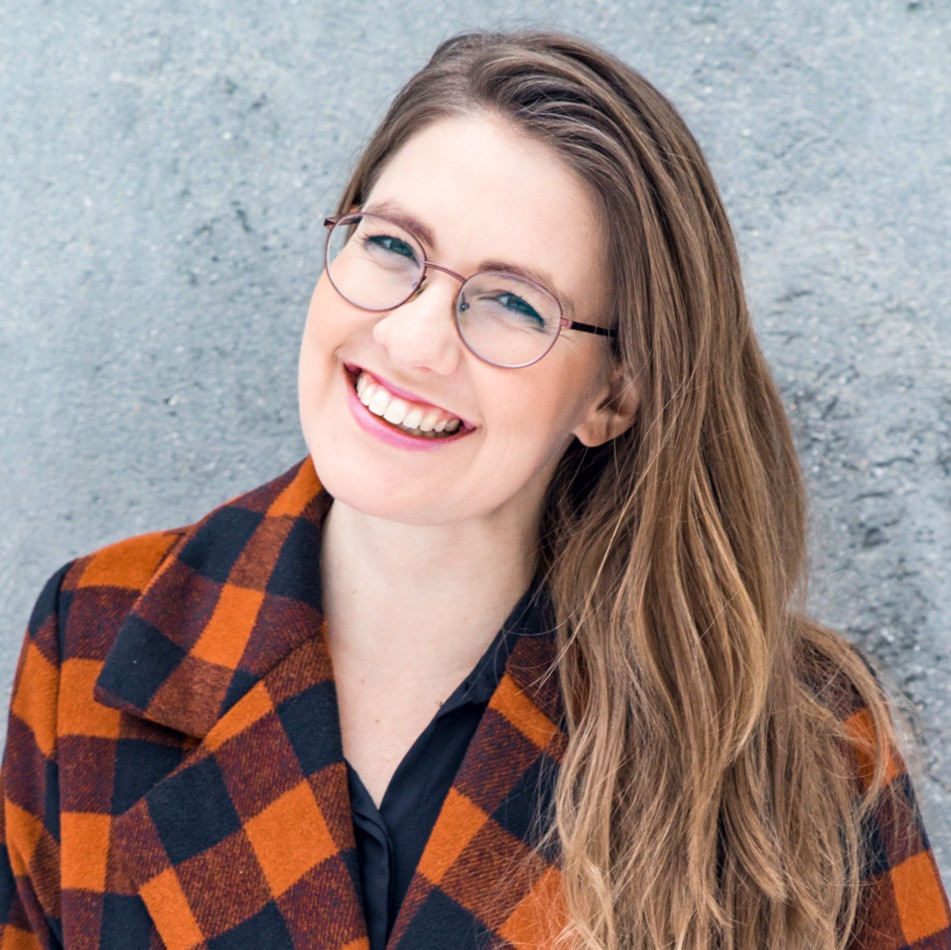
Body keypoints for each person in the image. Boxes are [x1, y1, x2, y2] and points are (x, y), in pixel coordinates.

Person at [1, 29, 948, 950]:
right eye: (390, 245)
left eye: (512, 302)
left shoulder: (803, 739)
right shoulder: (98, 634)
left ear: (613, 396)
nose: (411, 339)